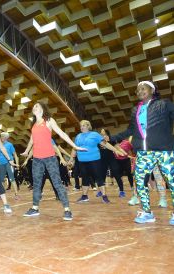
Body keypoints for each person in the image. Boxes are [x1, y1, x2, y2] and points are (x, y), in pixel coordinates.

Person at [111, 81, 174, 224]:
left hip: (164, 150)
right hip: (144, 153)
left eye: (143, 88)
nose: (139, 91)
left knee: (172, 181)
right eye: (137, 89)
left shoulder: (163, 104)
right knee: (139, 181)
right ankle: (147, 213)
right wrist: (112, 138)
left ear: (152, 90)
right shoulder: (136, 110)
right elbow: (130, 130)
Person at [21, 102, 86, 220]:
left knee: (57, 183)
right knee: (36, 184)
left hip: (50, 158)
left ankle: (67, 210)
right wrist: (26, 151)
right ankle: (35, 208)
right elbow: (32, 140)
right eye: (34, 106)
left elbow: (62, 134)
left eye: (37, 106)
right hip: (37, 159)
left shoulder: (49, 120)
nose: (34, 108)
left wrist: (75, 146)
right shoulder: (34, 125)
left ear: (42, 109)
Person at [69, 120, 125, 204]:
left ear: (88, 126)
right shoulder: (78, 136)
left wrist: (115, 150)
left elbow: (105, 144)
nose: (82, 127)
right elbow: (74, 148)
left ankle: (104, 196)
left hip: (94, 160)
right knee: (85, 179)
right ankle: (84, 196)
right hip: (82, 162)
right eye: (81, 126)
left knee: (99, 178)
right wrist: (71, 159)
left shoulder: (94, 135)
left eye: (84, 125)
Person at [0, 132, 20, 199]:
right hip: (0, 164)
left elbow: (15, 155)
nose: (1, 137)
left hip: (9, 163)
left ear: (6, 137)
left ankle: (16, 194)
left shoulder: (10, 145)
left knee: (12, 179)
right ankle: (1, 194)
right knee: (1, 179)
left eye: (2, 136)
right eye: (1, 136)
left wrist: (17, 165)